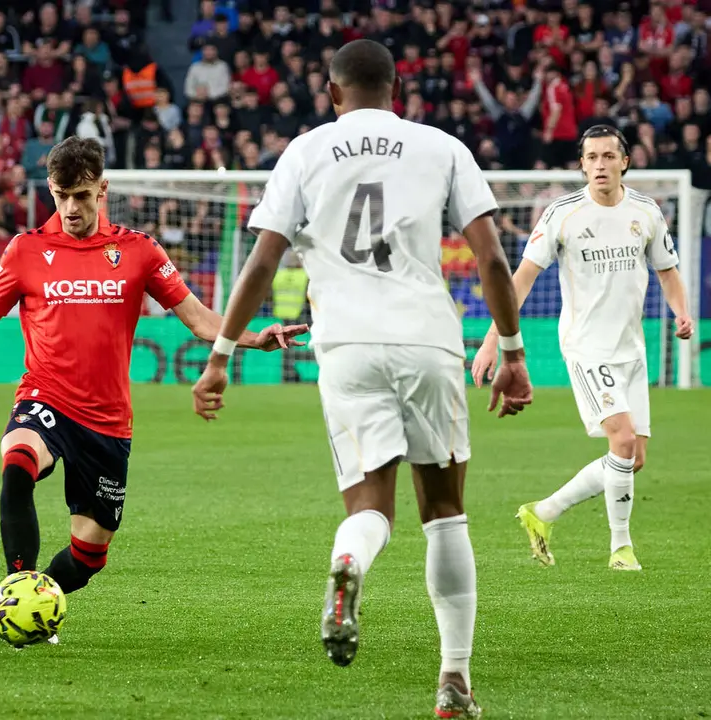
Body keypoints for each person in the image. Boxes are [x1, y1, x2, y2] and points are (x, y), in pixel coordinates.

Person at [189, 41, 533, 718]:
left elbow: (262, 263)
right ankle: (455, 682)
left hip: (344, 345)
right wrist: (514, 351)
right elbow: (492, 258)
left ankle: (350, 567)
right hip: (428, 340)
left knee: (369, 506)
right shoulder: (441, 147)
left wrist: (222, 354)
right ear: (396, 87)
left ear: (331, 91)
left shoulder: (306, 151)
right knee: (445, 513)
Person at [0, 137, 306, 643]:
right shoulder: (27, 250)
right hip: (45, 398)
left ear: (102, 189)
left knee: (89, 555)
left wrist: (253, 338)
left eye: (81, 195)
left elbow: (197, 318)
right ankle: (16, 595)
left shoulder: (139, 251)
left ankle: (31, 607)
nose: (70, 208)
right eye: (60, 196)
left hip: (107, 421)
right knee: (17, 461)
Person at [472, 125, 692, 572]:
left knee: (634, 458)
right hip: (586, 346)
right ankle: (621, 548)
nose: (600, 165)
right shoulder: (562, 214)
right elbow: (522, 279)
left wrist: (681, 311)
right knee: (624, 440)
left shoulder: (646, 211)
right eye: (591, 157)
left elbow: (668, 271)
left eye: (609, 156)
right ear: (582, 164)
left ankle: (544, 512)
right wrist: (493, 339)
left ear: (625, 162)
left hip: (631, 346)